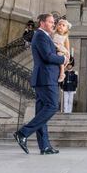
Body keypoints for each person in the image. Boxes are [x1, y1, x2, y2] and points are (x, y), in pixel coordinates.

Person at [13, 13, 68, 155]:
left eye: (53, 22)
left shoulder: (45, 36)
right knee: (52, 106)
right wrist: (62, 59)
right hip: (46, 78)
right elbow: (48, 57)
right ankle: (23, 133)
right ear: (42, 23)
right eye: (50, 22)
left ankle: (44, 146)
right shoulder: (40, 36)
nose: (53, 24)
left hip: (44, 78)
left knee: (42, 111)